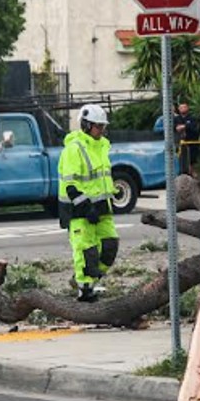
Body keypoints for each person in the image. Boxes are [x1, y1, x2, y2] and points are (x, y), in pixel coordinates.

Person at [57, 104, 118, 303]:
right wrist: (86, 207)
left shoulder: (102, 146)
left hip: (101, 207)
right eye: (98, 126)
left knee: (110, 246)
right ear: (85, 125)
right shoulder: (74, 149)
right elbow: (70, 185)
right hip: (78, 209)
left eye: (103, 127)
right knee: (86, 250)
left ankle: (87, 279)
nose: (101, 130)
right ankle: (85, 290)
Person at [173, 101, 199, 176]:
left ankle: (192, 171)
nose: (183, 109)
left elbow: (195, 128)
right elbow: (173, 128)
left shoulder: (192, 118)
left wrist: (185, 126)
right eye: (181, 107)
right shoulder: (176, 119)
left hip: (191, 141)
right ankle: (180, 172)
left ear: (187, 108)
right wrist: (178, 128)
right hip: (179, 142)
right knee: (180, 158)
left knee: (192, 158)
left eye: (184, 107)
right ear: (178, 109)